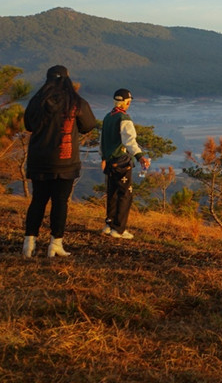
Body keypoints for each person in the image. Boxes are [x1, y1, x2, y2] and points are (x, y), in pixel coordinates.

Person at [22, 65, 99, 258]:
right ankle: (55, 244)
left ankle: (29, 243)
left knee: (38, 200)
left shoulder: (37, 101)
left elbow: (28, 125)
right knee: (60, 202)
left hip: (39, 159)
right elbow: (88, 124)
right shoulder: (75, 102)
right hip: (65, 161)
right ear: (67, 79)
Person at [100, 88, 150, 239]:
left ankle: (109, 224)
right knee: (125, 194)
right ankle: (119, 229)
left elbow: (102, 141)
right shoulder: (124, 118)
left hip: (109, 161)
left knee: (112, 193)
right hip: (121, 161)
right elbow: (129, 141)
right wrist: (140, 156)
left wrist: (103, 157)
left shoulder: (108, 117)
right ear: (127, 102)